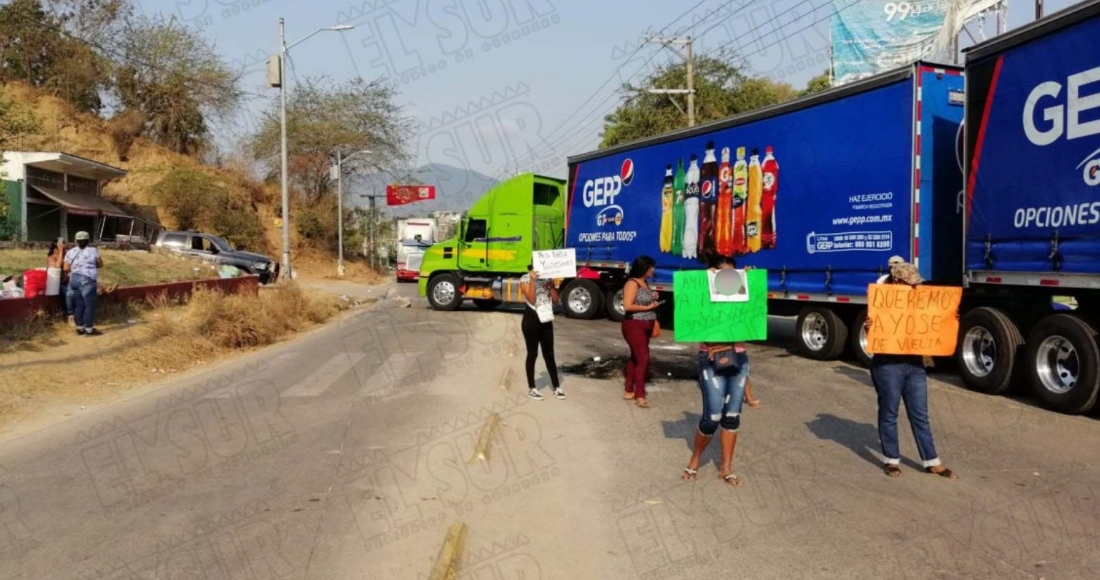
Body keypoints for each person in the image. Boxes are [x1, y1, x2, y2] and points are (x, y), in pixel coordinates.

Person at [865, 259, 958, 479]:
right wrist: (870, 327)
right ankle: (892, 461)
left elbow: (934, 324)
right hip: (887, 365)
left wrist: (949, 320)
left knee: (920, 415)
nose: (915, 287)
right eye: (911, 283)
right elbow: (874, 337)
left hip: (915, 364)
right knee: (889, 413)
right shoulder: (882, 301)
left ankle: (932, 461)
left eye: (916, 283)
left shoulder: (920, 301)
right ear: (897, 280)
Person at [682, 254, 751, 486]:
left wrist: (751, 281)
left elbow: (754, 316)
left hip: (738, 357)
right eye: (723, 274)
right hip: (710, 357)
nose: (729, 279)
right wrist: (706, 279)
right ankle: (695, 460)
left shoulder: (741, 293)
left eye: (734, 274)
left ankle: (726, 468)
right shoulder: (701, 295)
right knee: (712, 416)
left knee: (732, 416)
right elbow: (691, 316)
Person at [519, 265, 564, 400]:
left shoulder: (547, 278)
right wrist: (533, 281)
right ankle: (532, 388)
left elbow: (556, 301)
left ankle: (557, 387)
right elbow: (532, 299)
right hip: (531, 319)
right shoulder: (525, 279)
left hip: (546, 319)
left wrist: (551, 287)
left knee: (549, 354)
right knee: (532, 353)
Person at [621, 255, 660, 408]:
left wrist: (653, 296)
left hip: (646, 324)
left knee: (636, 357)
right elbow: (627, 306)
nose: (653, 270)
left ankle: (629, 390)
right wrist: (648, 307)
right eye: (651, 267)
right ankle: (640, 395)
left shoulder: (645, 283)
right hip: (634, 325)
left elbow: (641, 299)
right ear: (644, 268)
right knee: (644, 358)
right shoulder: (632, 283)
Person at [63, 231, 103, 336]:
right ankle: (89, 329)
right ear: (88, 241)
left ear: (75, 241)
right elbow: (100, 264)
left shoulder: (70, 252)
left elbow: (66, 268)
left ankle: (80, 328)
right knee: (89, 305)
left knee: (79, 304)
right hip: (88, 279)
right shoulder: (93, 250)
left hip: (74, 280)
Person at [47, 239, 73, 325]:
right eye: (63, 249)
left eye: (65, 249)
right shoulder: (51, 258)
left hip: (64, 281)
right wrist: (61, 252)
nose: (65, 251)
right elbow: (57, 267)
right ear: (55, 250)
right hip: (54, 283)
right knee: (67, 292)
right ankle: (69, 314)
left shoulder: (65, 257)